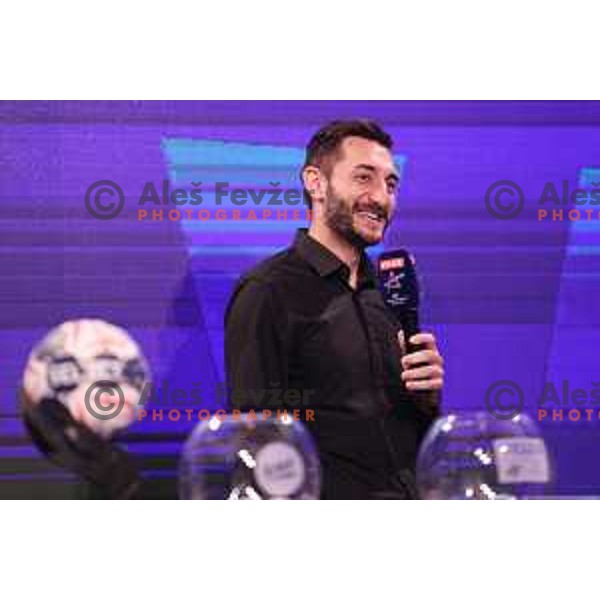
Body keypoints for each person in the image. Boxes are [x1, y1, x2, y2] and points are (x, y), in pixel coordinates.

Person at [225, 120, 444, 499]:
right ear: (316, 183)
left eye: (390, 184)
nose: (381, 197)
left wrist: (426, 401)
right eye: (364, 178)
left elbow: (403, 430)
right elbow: (258, 441)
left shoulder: (389, 293)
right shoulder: (268, 291)